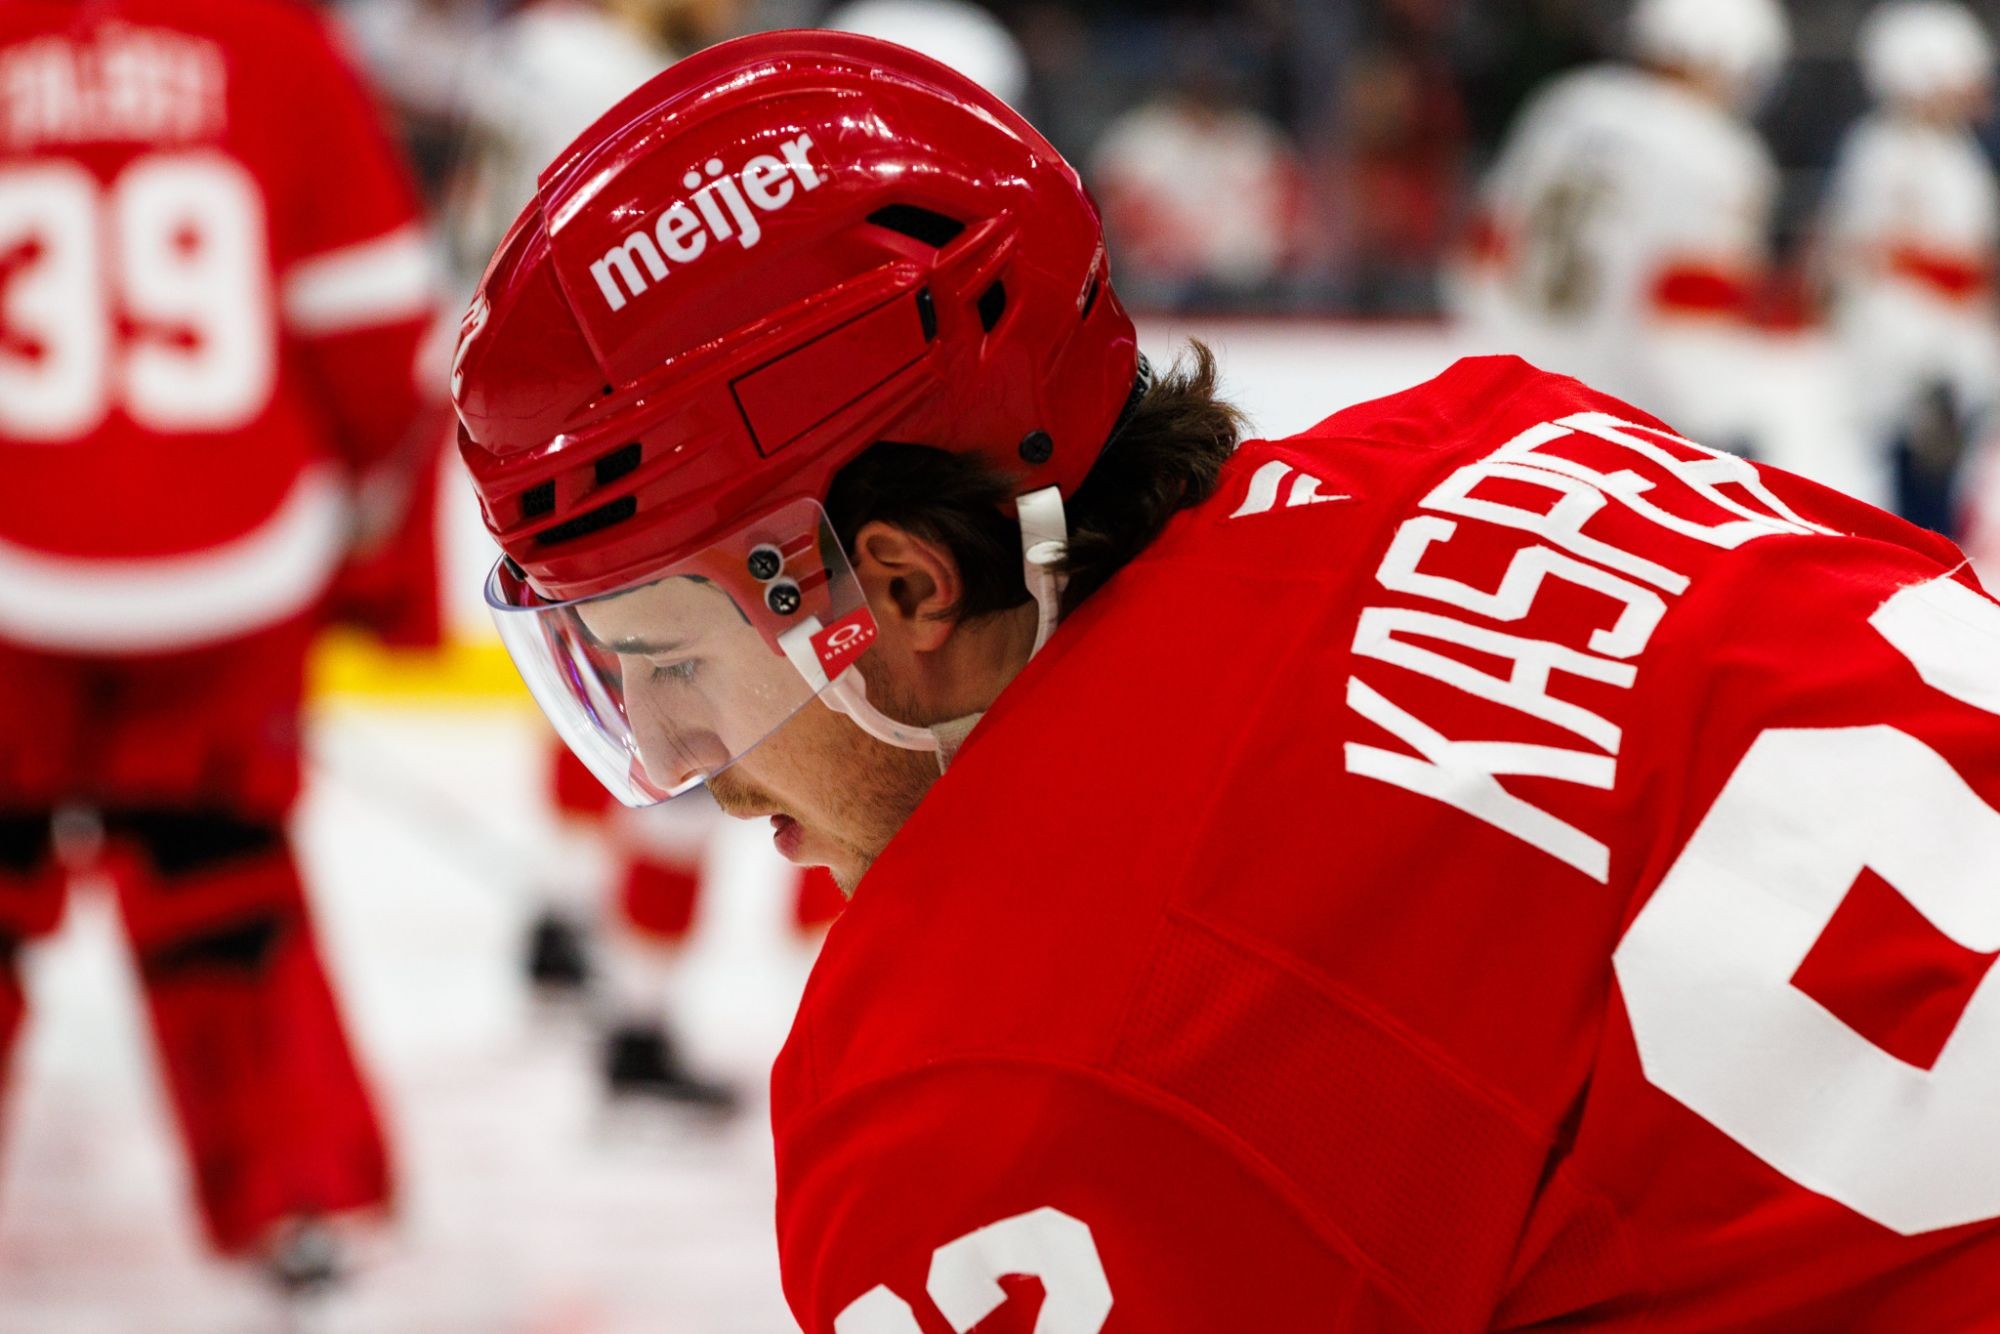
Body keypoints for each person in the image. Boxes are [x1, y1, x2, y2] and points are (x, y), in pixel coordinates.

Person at [451, 30, 2000, 1332]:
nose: (680, 753)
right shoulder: (1511, 432)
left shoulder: (1004, 1075)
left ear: (904, 591)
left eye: (664, 657)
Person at [0, 0, 444, 1289]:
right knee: (223, 874)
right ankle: (296, 1194)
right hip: (230, 547)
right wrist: (377, 559)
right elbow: (375, 317)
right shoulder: (276, 45)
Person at [1453, 0, 1787, 453]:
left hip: (1511, 400)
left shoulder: (1564, 103)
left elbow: (1483, 256)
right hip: (1623, 423)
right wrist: (1717, 425)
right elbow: (1689, 321)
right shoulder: (1719, 155)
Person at [1821, 0, 2000, 536]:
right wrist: (1918, 355)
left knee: (1951, 491)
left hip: (1955, 336)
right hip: (1912, 344)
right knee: (1915, 493)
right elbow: (1870, 256)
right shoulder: (1885, 150)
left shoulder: (1956, 152)